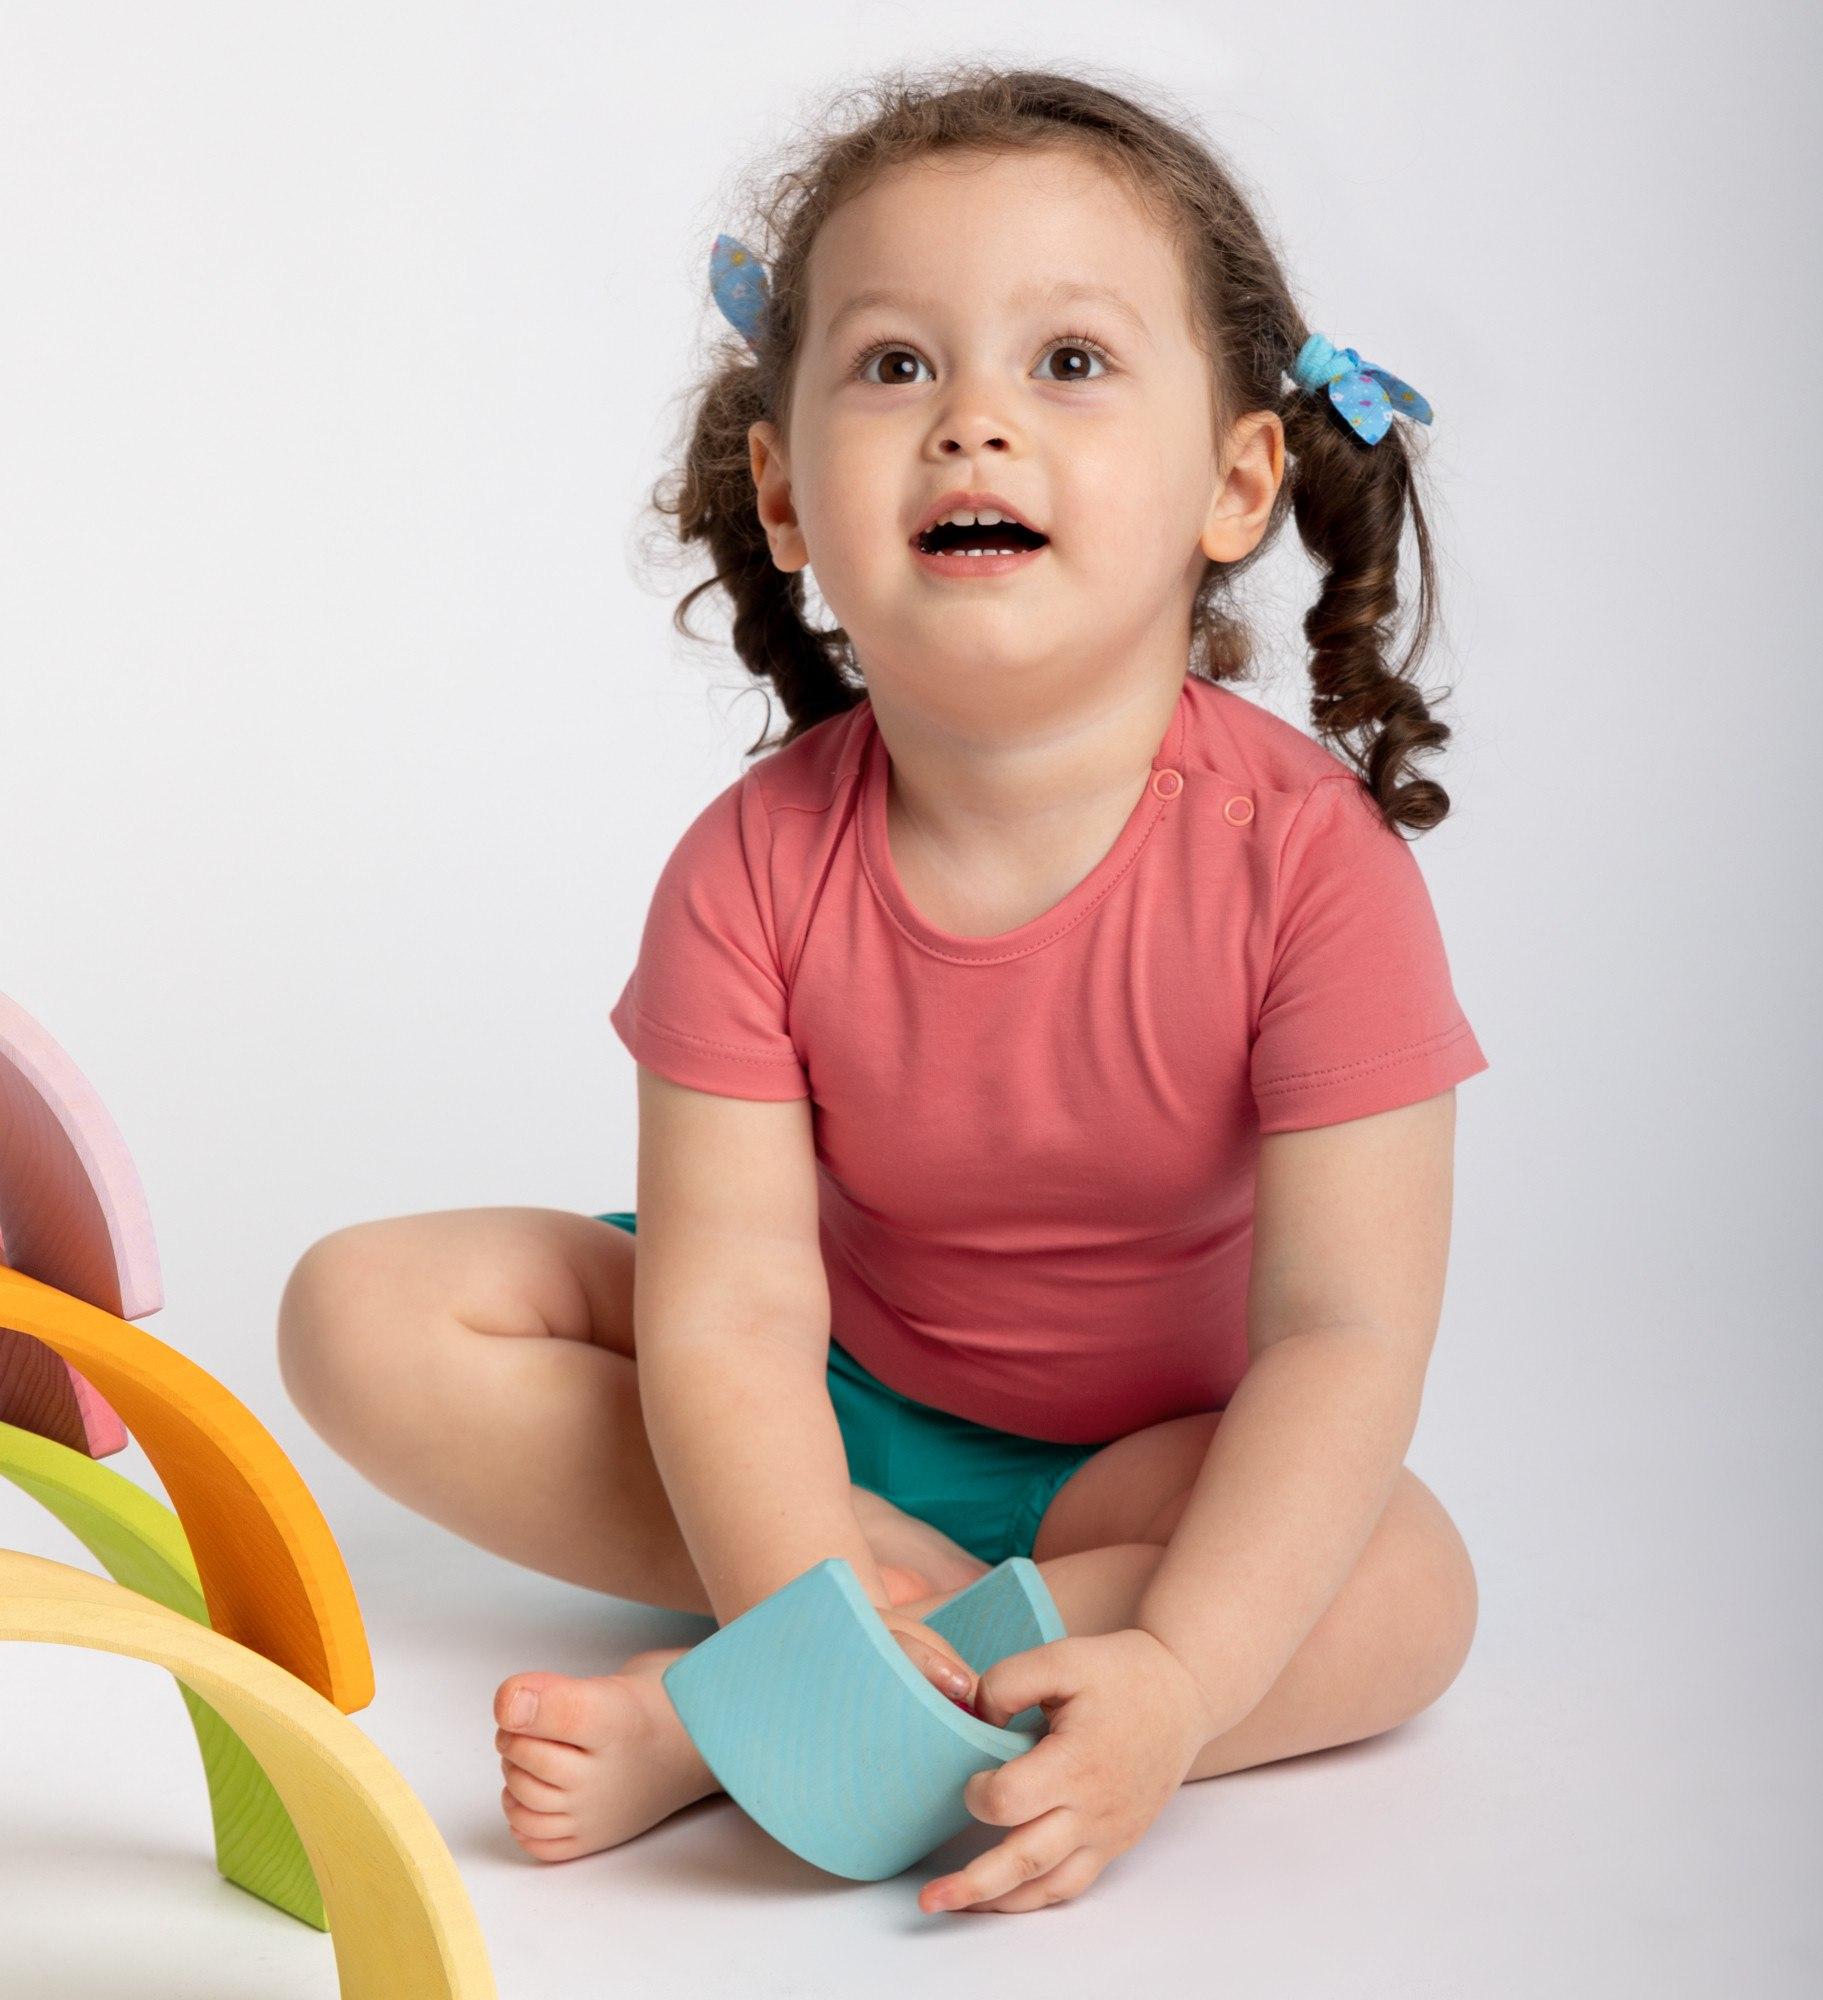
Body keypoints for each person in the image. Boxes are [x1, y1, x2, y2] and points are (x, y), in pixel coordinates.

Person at [276, 63, 1491, 1917]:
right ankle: (861, 1670)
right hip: (820, 1394)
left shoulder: (1309, 867)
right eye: (897, 366)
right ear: (781, 491)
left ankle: (739, 1722)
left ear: (1237, 480)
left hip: (1153, 1468)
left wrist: (1180, 1682)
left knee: (1406, 1588)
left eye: (1068, 363)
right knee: (359, 1313)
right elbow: (734, 1311)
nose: (972, 425)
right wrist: (799, 1584)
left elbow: (1339, 1340)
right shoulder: (753, 867)